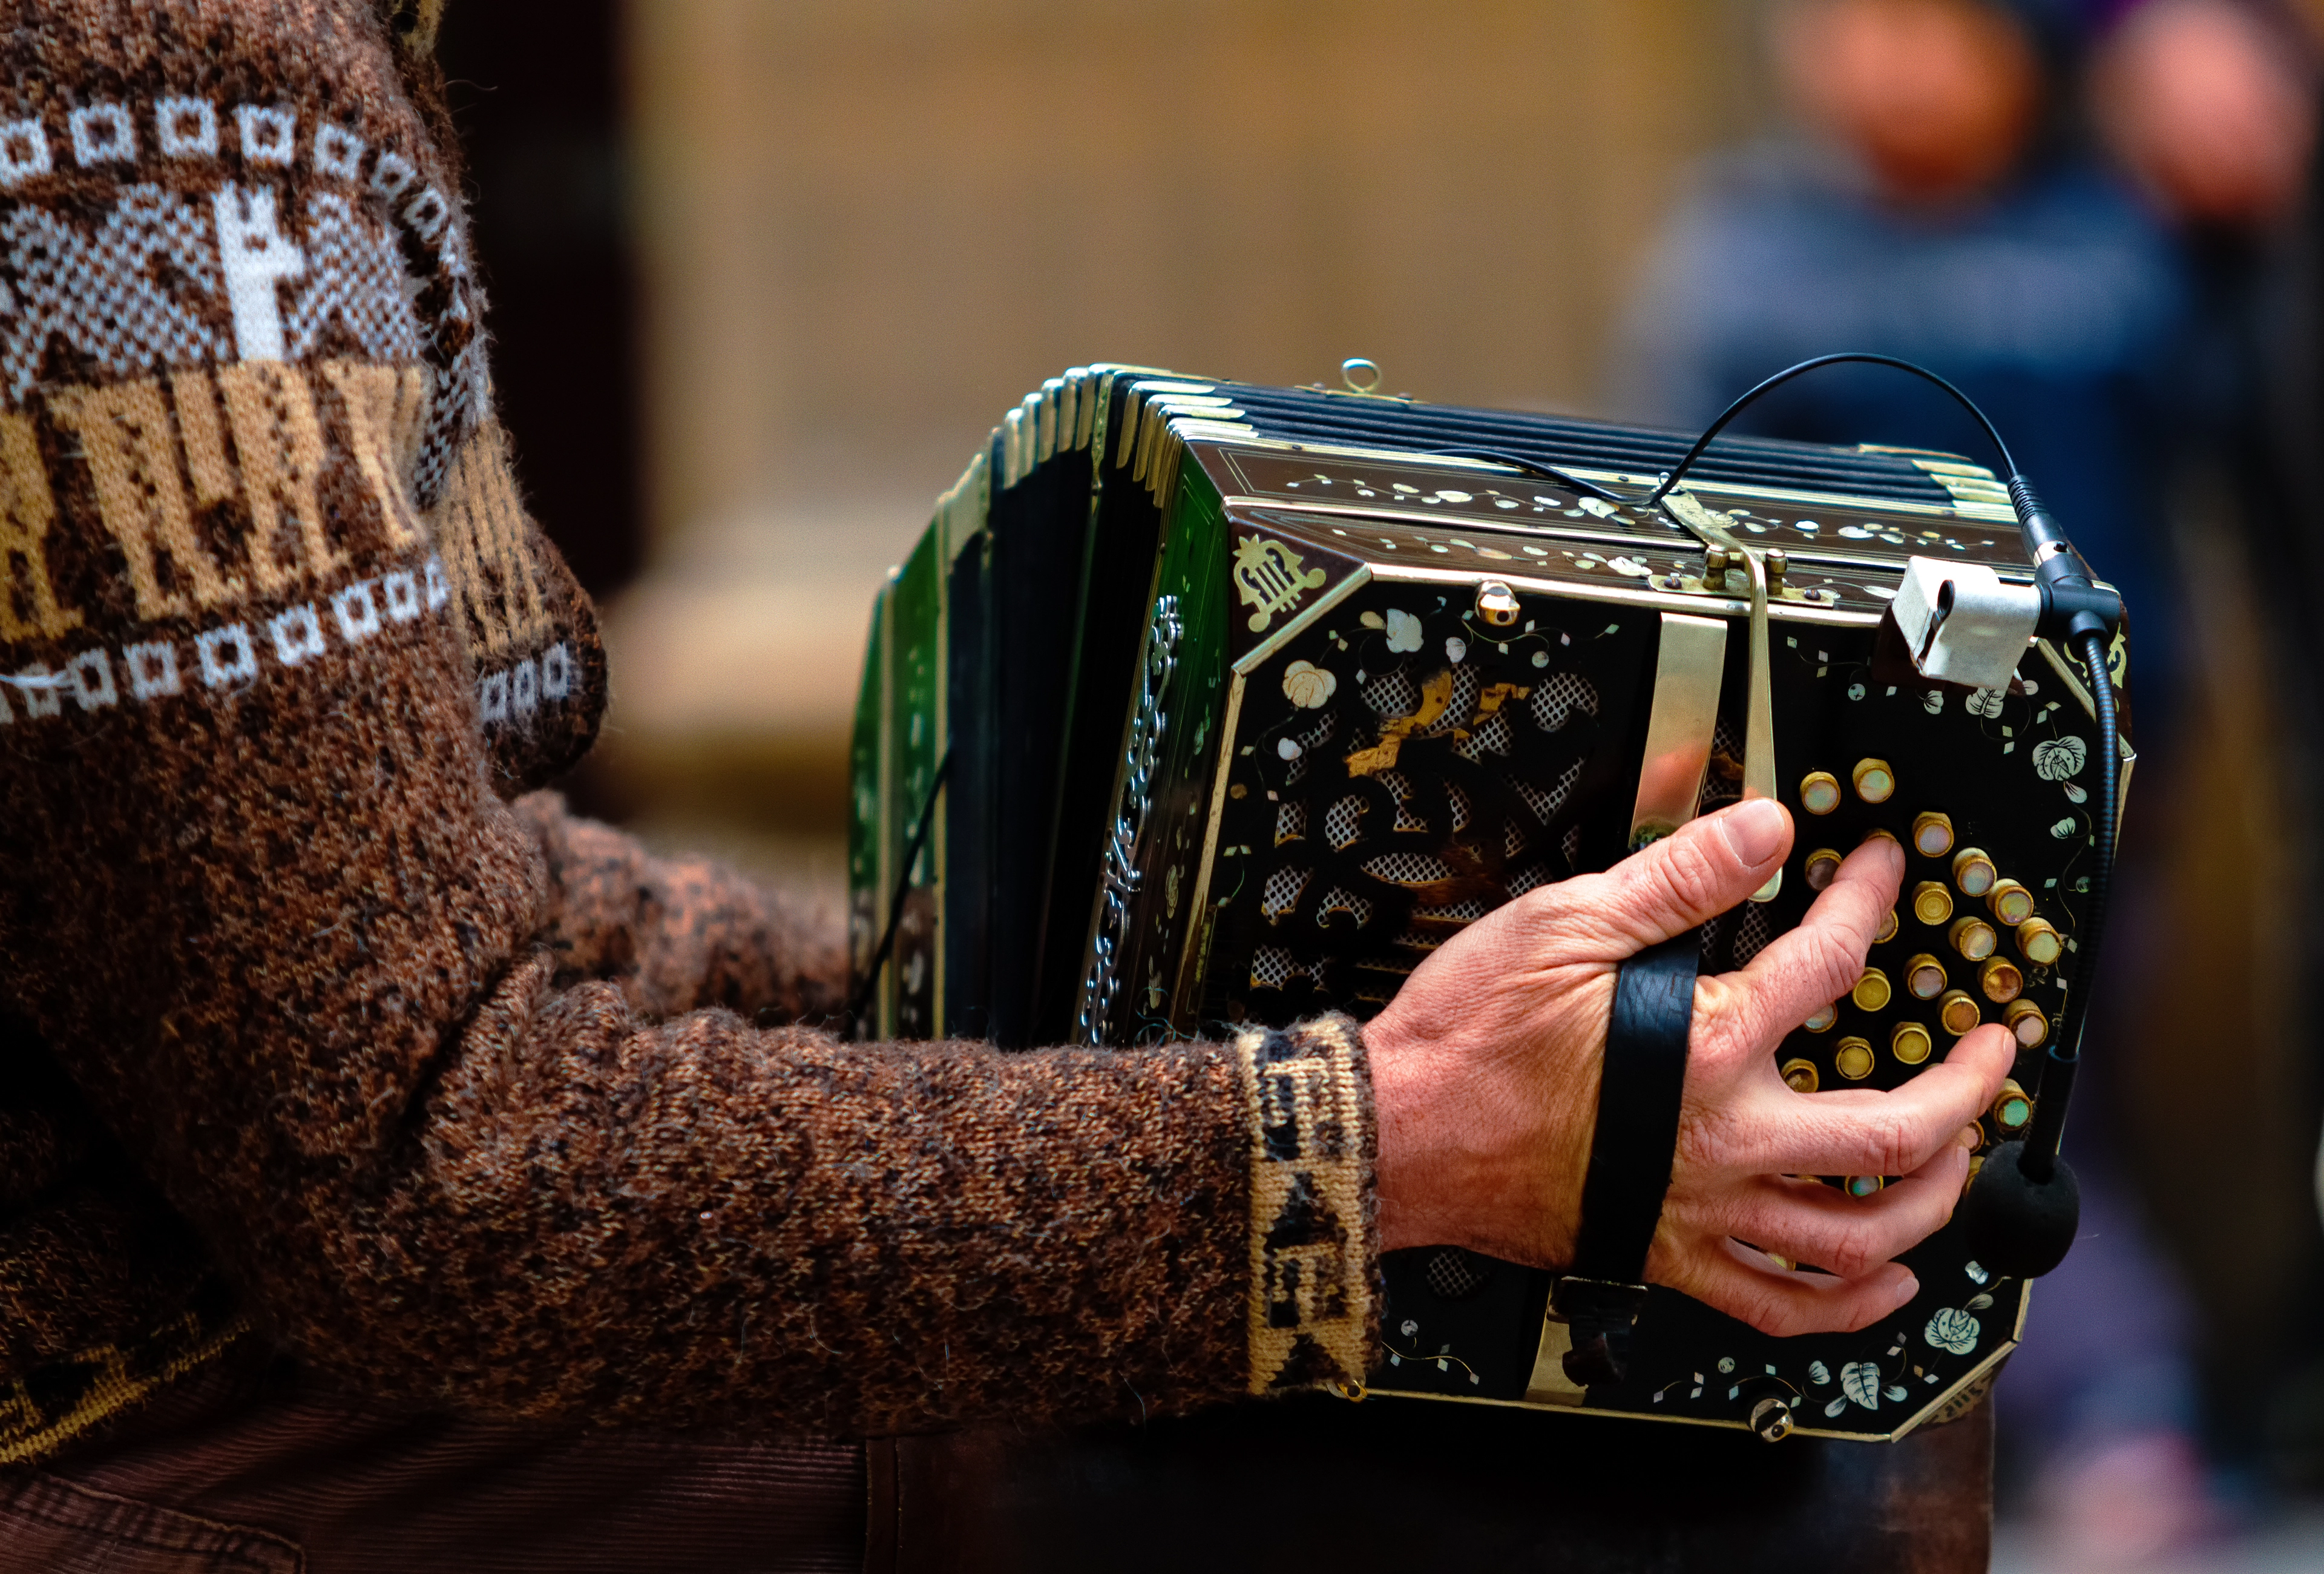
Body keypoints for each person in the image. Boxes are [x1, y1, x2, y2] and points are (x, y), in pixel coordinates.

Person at [0, 2, 2012, 1567]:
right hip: (141, 1443)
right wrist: (1382, 1140)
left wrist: (1149, 1012)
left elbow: (437, 904)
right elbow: (427, 1162)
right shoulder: (144, 89)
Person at [1615, 0, 2246, 1563]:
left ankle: (2118, 1419)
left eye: (1935, 26)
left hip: (2094, 766)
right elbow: (1674, 487)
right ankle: (1891, 1417)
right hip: (1835, 785)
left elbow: (2223, 436)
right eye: (1851, 23)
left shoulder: (2110, 250)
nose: (1888, 62)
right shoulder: (1751, 252)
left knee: (2045, 1089)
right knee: (1865, 1083)